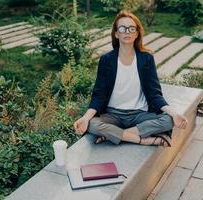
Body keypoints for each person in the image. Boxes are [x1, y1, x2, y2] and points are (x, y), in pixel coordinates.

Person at [74, 11, 188, 147]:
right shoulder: (107, 60)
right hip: (113, 114)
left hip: (139, 114)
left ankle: (114, 135)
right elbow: (99, 96)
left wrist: (174, 114)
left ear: (137, 33)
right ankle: (141, 139)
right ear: (116, 34)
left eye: (131, 28)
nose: (127, 31)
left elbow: (154, 94)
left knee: (168, 121)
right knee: (92, 124)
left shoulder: (146, 59)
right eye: (122, 28)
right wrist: (85, 118)